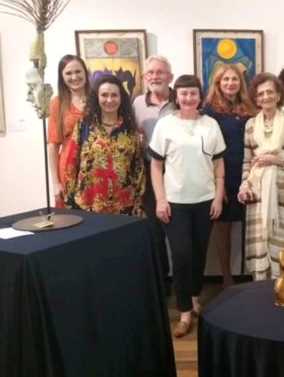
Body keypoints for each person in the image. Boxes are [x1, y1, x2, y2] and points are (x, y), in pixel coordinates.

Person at [149, 74, 226, 338]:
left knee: (199, 253)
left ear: (200, 96)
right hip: (175, 202)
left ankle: (194, 299)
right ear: (176, 96)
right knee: (182, 256)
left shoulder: (211, 124)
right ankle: (183, 314)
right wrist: (160, 199)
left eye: (193, 93)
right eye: (184, 93)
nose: (189, 98)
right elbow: (156, 165)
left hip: (205, 200)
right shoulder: (165, 125)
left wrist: (218, 197)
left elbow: (218, 164)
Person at [237, 73, 284, 281]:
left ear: (278, 95)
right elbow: (247, 162)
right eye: (261, 94)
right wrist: (244, 186)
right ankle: (261, 297)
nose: (266, 97)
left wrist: (276, 160)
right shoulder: (250, 125)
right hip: (258, 198)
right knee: (260, 252)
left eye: (270, 92)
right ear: (256, 99)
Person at [202, 64, 256, 287]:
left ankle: (254, 276)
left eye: (234, 79)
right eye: (226, 79)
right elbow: (207, 150)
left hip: (248, 173)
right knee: (223, 228)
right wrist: (217, 185)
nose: (230, 83)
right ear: (218, 83)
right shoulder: (209, 111)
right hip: (223, 175)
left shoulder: (249, 108)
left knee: (251, 225)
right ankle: (227, 278)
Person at [64, 75, 144, 215]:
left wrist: (138, 202)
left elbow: (138, 167)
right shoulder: (83, 126)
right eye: (104, 95)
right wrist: (69, 201)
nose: (109, 100)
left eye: (114, 95)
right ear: (97, 97)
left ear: (121, 98)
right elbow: (71, 164)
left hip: (123, 205)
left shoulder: (130, 129)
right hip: (88, 204)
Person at [132, 55, 175, 288]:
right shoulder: (136, 104)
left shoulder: (182, 99)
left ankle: (185, 286)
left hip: (179, 171)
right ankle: (162, 283)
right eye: (150, 73)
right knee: (154, 230)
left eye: (160, 72)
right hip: (150, 172)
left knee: (179, 230)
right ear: (144, 77)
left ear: (170, 76)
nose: (155, 76)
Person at [47, 55, 90, 208]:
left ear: (85, 72)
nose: (74, 77)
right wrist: (55, 183)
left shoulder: (98, 99)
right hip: (68, 171)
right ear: (62, 77)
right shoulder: (57, 103)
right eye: (68, 73)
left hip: (96, 169)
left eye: (78, 71)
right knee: (70, 217)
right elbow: (53, 145)